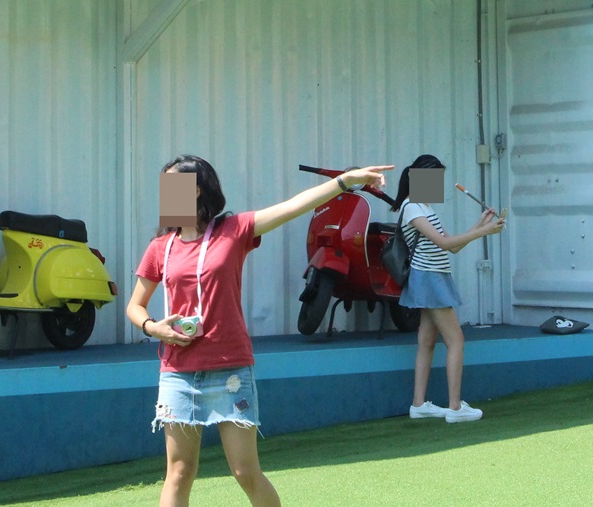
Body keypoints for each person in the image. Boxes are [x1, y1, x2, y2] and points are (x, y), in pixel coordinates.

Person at [128, 155, 391, 507]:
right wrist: (152, 328)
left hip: (230, 369)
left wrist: (345, 181)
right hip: (177, 372)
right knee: (178, 472)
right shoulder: (160, 247)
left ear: (198, 190)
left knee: (245, 472)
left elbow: (293, 206)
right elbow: (135, 305)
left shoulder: (233, 229)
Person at [395, 154, 506, 422]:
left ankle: (419, 404)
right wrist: (485, 232)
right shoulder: (411, 208)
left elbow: (452, 245)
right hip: (429, 277)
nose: (439, 184)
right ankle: (455, 408)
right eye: (434, 178)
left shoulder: (425, 207)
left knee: (427, 341)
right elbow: (444, 244)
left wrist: (480, 224)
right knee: (456, 339)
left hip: (434, 277)